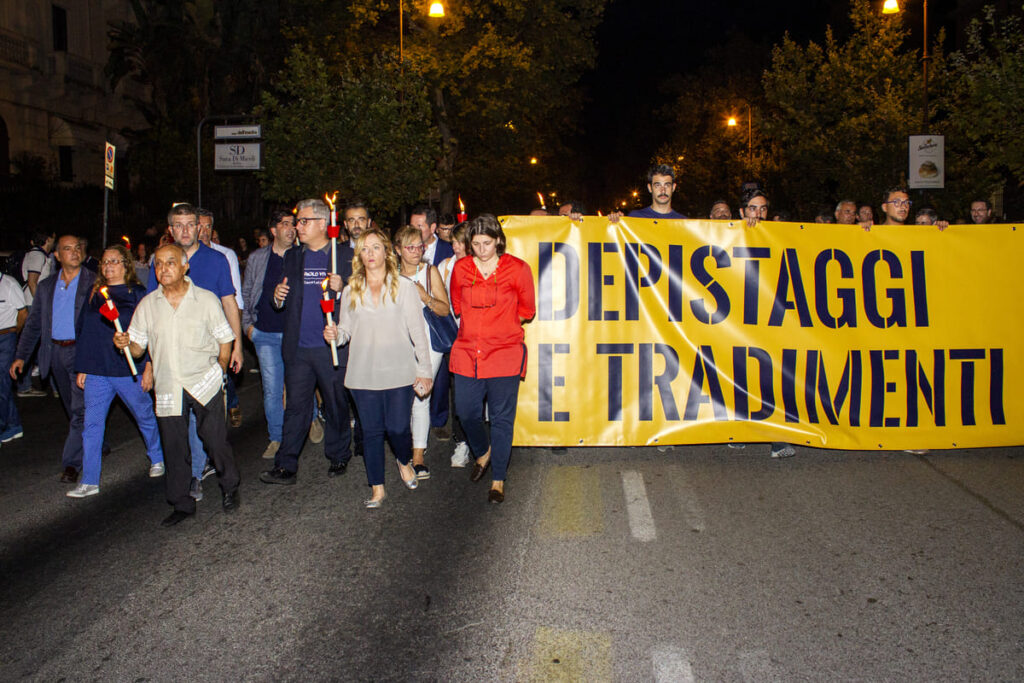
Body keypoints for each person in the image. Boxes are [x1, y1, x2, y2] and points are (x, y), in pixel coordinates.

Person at [115, 244, 240, 526]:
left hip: (204, 381)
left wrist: (220, 368)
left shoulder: (205, 299)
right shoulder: (148, 305)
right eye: (158, 264)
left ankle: (230, 487)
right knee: (174, 447)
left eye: (170, 262)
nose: (163, 269)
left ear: (185, 267)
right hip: (168, 385)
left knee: (215, 440)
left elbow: (225, 337)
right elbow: (137, 349)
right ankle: (181, 503)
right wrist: (125, 344)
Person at [323, 229, 433, 508]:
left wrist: (425, 370)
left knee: (397, 428)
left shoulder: (404, 287)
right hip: (363, 373)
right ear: (359, 255)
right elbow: (346, 330)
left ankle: (404, 460)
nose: (370, 253)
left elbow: (418, 333)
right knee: (371, 432)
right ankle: (377, 488)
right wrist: (336, 335)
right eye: (364, 248)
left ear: (387, 251)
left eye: (375, 247)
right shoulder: (351, 289)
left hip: (399, 370)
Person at [259, 198, 355, 485]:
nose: (297, 227)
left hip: (331, 346)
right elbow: (281, 298)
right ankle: (286, 465)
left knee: (335, 404)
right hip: (298, 347)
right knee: (296, 407)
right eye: (296, 221)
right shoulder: (293, 256)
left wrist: (344, 287)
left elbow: (363, 297)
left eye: (303, 221)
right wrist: (277, 297)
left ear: (323, 223)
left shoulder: (344, 255)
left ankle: (339, 454)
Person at [148, 204, 240, 500]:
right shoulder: (160, 261)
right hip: (171, 360)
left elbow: (229, 303)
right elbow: (151, 313)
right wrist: (150, 363)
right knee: (178, 425)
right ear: (170, 229)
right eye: (179, 225)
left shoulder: (216, 260)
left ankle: (200, 474)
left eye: (191, 224)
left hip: (208, 358)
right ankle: (191, 477)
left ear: (200, 227)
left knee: (207, 427)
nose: (186, 230)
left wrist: (235, 347)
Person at [448, 214, 536, 503]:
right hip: (467, 353)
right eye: (475, 244)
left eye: (487, 243)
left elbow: (528, 310)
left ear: (498, 240)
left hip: (504, 354)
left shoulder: (518, 269)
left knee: (501, 419)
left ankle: (498, 479)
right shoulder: (461, 268)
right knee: (466, 412)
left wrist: (503, 325)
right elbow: (457, 305)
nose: (481, 250)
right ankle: (483, 451)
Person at [67, 245, 164, 498]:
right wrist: (83, 367)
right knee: (92, 424)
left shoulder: (138, 293)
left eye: (114, 261)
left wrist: (149, 367)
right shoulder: (95, 293)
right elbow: (84, 331)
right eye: (105, 261)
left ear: (126, 265)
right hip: (98, 370)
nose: (108, 266)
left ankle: (157, 457)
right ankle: (89, 480)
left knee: (144, 415)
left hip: (128, 369)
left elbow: (151, 333)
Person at [11, 235, 96, 481]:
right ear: (57, 256)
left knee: (79, 409)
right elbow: (34, 323)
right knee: (71, 406)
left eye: (77, 248)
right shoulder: (47, 286)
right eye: (67, 249)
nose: (74, 252)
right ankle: (95, 439)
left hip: (82, 352)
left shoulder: (93, 282)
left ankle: (72, 464)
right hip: (55, 352)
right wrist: (21, 356)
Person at [394, 225, 450, 479]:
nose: (417, 251)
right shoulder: (390, 275)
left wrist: (424, 296)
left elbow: (444, 309)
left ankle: (417, 456)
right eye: (410, 247)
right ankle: (401, 448)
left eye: (420, 246)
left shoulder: (430, 272)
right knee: (399, 397)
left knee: (421, 395)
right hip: (398, 343)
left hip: (428, 343)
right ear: (398, 250)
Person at [241, 209, 296, 460]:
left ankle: (310, 418)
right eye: (285, 224)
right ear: (273, 230)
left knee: (299, 384)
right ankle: (276, 437)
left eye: (293, 224)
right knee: (273, 389)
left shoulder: (301, 256)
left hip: (295, 333)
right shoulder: (257, 258)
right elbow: (247, 293)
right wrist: (248, 327)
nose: (291, 228)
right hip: (265, 333)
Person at [197, 208, 245, 428]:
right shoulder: (179, 256)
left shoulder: (225, 255)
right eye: (200, 226)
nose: (204, 231)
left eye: (208, 226)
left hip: (220, 327)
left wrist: (236, 340)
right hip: (194, 331)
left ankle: (228, 406)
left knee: (221, 370)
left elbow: (234, 299)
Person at [438, 222, 471, 467]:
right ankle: (461, 441)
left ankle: (483, 438)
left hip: (483, 338)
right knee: (458, 390)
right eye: (453, 242)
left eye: (460, 242)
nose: (456, 247)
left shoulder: (485, 265)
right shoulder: (446, 267)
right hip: (456, 337)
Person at [0, 268, 28, 444]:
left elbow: (23, 313)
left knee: (2, 384)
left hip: (6, 338)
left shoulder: (9, 284)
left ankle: (4, 426)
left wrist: (14, 333)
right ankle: (14, 425)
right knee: (2, 386)